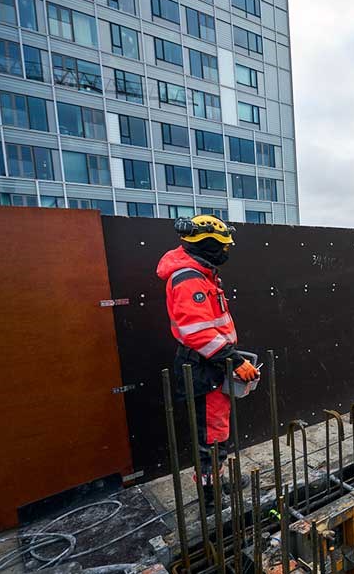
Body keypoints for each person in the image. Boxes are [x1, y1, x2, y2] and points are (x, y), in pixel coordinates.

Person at [156, 215, 259, 508]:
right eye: (223, 246)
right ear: (207, 244)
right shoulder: (189, 278)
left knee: (216, 431)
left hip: (211, 363)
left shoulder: (203, 273)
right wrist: (235, 360)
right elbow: (196, 332)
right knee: (209, 438)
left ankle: (216, 480)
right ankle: (211, 500)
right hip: (205, 367)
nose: (226, 251)